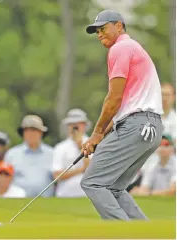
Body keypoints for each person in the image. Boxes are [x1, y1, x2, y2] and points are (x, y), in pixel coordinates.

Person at [80, 9, 163, 221]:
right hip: (150, 128)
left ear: (119, 25)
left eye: (103, 28)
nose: (99, 34)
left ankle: (125, 235)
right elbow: (122, 107)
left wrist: (97, 133)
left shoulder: (121, 48)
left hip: (136, 126)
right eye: (97, 31)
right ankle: (147, 235)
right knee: (115, 188)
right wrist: (98, 136)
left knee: (93, 181)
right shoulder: (132, 48)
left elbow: (113, 98)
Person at [4, 114, 54, 197]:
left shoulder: (53, 154)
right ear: (23, 133)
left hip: (46, 203)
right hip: (17, 202)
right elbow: (5, 180)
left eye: (34, 130)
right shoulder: (12, 154)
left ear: (41, 132)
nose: (30, 133)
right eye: (26, 130)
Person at [52, 109, 91, 198]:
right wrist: (81, 170)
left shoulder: (95, 144)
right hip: (65, 195)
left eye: (78, 124)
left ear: (84, 125)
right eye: (72, 124)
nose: (75, 127)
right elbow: (57, 175)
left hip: (88, 196)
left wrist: (81, 146)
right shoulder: (60, 147)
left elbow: (91, 170)